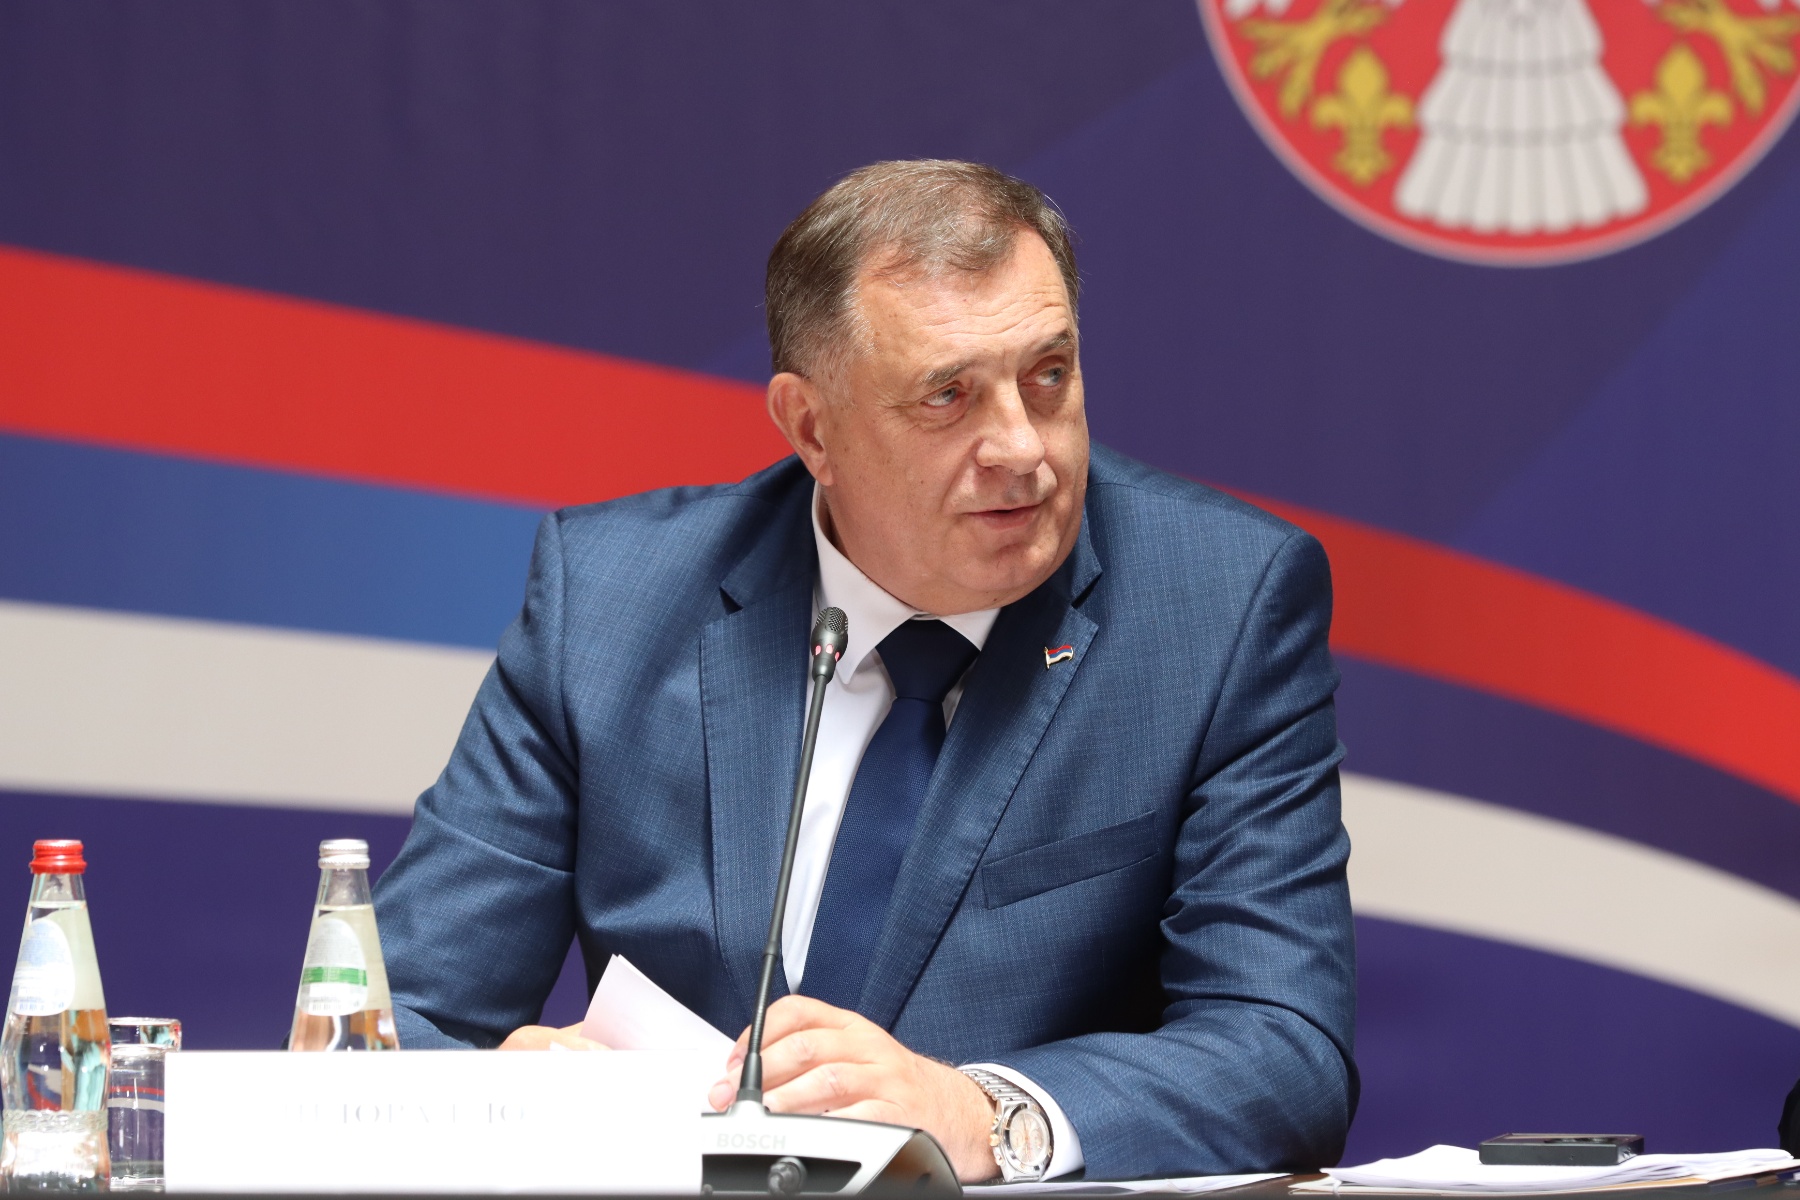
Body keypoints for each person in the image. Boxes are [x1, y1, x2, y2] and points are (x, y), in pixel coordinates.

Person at [373, 160, 1356, 1182]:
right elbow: (388, 1026)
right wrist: (513, 1098)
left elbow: (1284, 1049)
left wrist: (981, 1113)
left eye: (1049, 374)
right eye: (948, 395)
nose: (1022, 447)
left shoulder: (1218, 605)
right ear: (812, 427)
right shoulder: (612, 604)